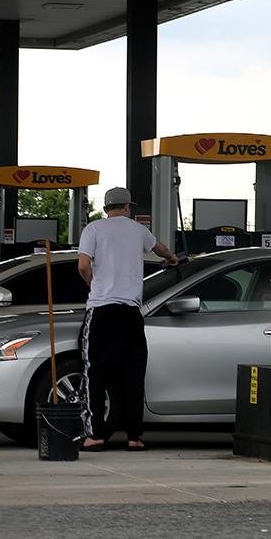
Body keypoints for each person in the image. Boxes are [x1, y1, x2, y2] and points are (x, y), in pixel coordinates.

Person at [77, 186, 178, 451]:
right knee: (133, 374)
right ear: (127, 207)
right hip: (131, 313)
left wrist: (93, 285)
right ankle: (134, 437)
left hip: (101, 311)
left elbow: (83, 265)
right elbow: (160, 249)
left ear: (106, 207)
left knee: (95, 373)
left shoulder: (93, 230)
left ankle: (96, 434)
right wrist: (171, 258)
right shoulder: (138, 230)